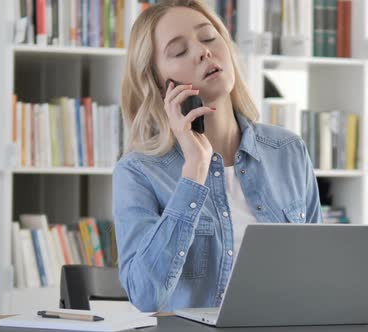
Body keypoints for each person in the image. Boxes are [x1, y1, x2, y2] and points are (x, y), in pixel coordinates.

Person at [113, 0, 322, 312]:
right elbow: (145, 295)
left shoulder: (288, 151)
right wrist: (193, 172)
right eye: (179, 51)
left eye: (209, 37)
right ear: (159, 83)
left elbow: (318, 272)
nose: (202, 52)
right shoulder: (138, 171)